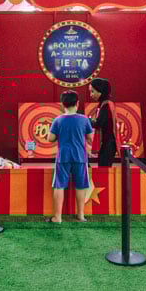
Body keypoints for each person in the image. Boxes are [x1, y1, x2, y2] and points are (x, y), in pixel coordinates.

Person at [47, 90, 93, 223]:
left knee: (59, 185)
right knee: (81, 185)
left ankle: (57, 217)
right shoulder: (84, 119)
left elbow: (50, 138)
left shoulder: (58, 120)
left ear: (62, 104)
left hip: (63, 157)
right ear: (77, 103)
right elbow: (90, 138)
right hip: (80, 157)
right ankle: (81, 215)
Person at [87, 78, 120, 167]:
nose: (91, 95)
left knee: (104, 169)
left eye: (93, 91)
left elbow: (98, 124)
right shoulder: (105, 103)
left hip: (108, 144)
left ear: (100, 91)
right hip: (106, 143)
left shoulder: (106, 105)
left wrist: (87, 120)